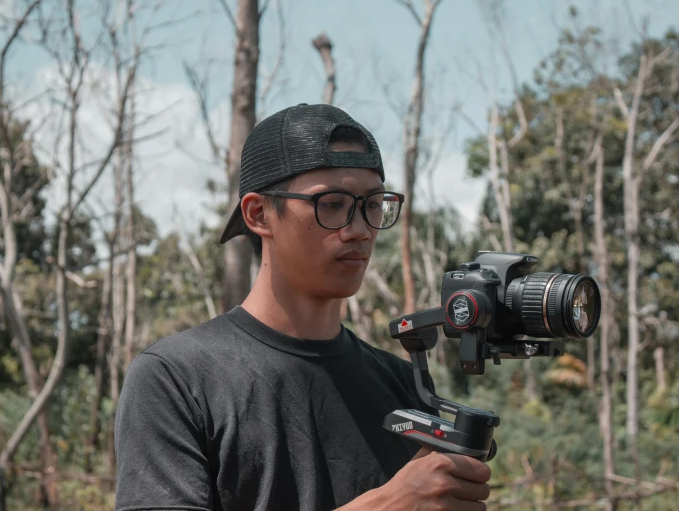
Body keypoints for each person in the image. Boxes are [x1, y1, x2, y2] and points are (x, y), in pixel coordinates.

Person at [114, 103, 491, 511]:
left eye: (374, 204)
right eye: (331, 204)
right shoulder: (176, 378)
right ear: (259, 214)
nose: (360, 230)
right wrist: (388, 505)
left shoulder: (400, 381)